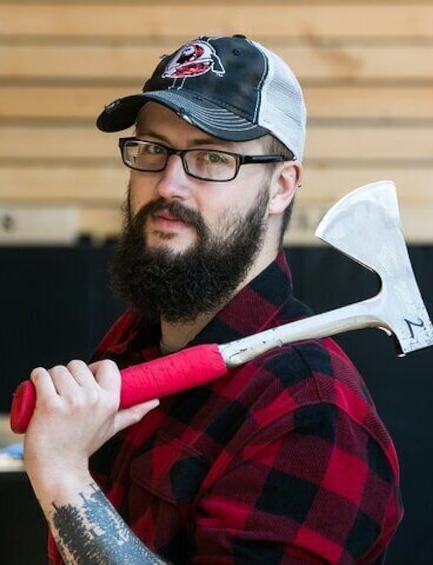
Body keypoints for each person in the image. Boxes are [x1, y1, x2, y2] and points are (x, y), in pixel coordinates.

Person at [22, 34, 403, 564]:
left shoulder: (312, 414)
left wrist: (65, 480)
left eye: (211, 157)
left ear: (281, 186)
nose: (168, 185)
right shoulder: (135, 340)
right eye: (153, 150)